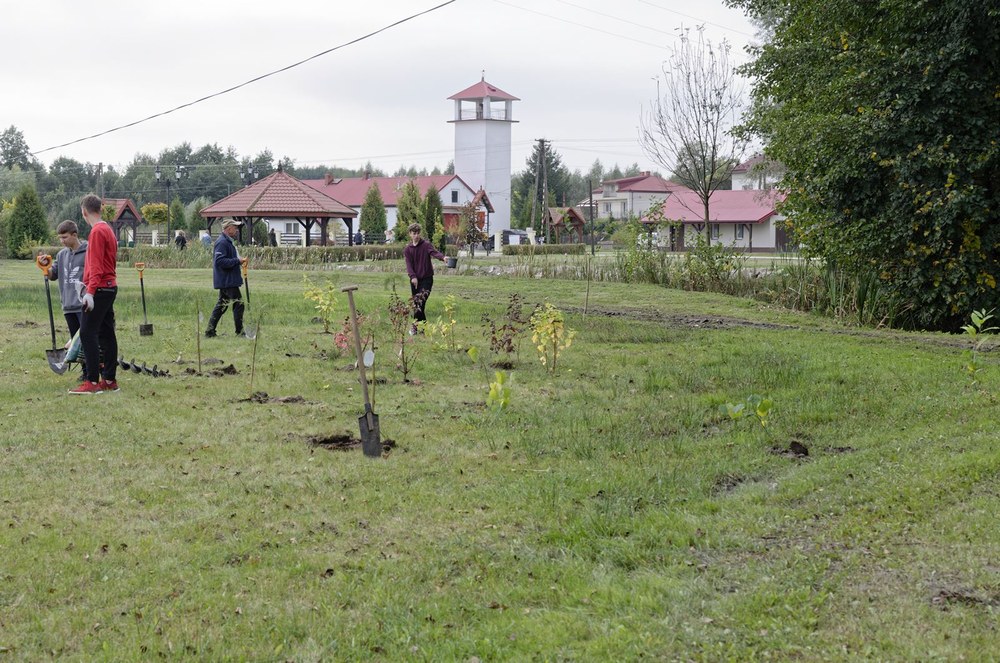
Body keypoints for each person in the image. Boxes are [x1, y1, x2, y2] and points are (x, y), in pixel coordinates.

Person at [69, 194, 119, 394]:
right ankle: (109, 379)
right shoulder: (108, 229)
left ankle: (91, 381)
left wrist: (89, 291)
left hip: (99, 289)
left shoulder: (97, 232)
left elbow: (97, 266)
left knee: (88, 332)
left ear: (84, 212)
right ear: (101, 208)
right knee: (107, 333)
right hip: (109, 286)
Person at [45, 220, 88, 379]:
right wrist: (45, 269)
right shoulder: (62, 254)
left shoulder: (88, 251)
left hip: (83, 304)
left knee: (86, 339)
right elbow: (53, 274)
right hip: (68, 305)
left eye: (65, 237)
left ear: (74, 235)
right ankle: (85, 372)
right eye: (60, 238)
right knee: (77, 343)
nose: (62, 241)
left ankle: (95, 371)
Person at [403, 222, 446, 335]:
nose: (416, 236)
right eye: (414, 233)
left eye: (418, 233)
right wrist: (413, 277)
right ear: (410, 234)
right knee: (417, 305)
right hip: (414, 280)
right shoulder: (408, 249)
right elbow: (409, 265)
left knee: (420, 303)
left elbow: (434, 253)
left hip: (426, 279)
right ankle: (424, 329)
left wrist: (443, 258)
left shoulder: (426, 245)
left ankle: (415, 327)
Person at [205, 218, 245, 338]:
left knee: (222, 305)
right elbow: (220, 261)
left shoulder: (227, 241)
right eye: (235, 227)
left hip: (227, 279)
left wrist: (238, 261)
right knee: (239, 303)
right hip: (227, 280)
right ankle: (240, 332)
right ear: (228, 228)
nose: (237, 230)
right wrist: (237, 261)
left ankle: (210, 331)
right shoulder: (222, 242)